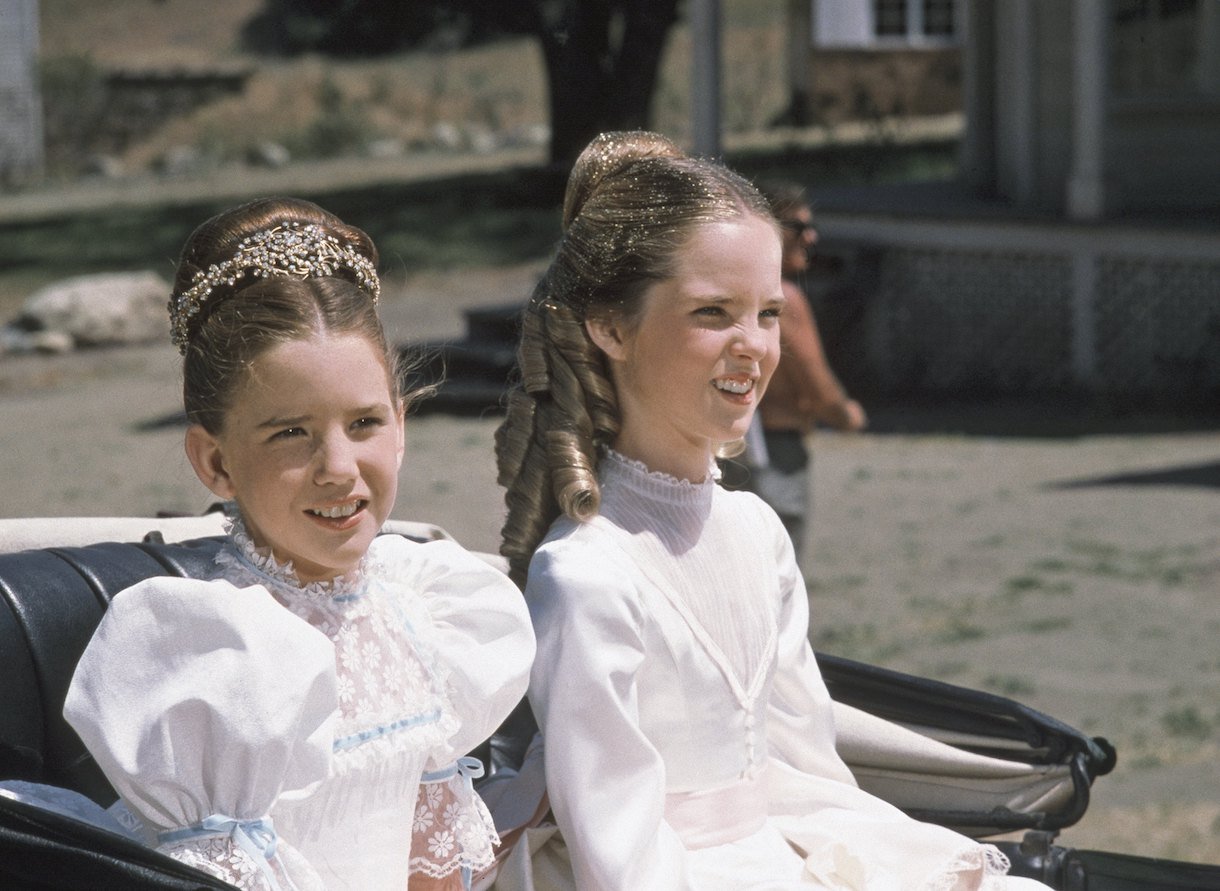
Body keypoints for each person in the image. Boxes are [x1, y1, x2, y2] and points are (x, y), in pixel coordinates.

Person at [492, 132, 1051, 890]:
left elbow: (804, 771)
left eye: (767, 313)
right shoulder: (588, 572)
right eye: (713, 312)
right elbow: (618, 852)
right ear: (611, 325)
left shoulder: (755, 532)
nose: (751, 346)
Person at [62, 197, 535, 890]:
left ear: (401, 428)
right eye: (290, 432)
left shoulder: (428, 615)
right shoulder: (217, 657)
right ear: (215, 462)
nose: (338, 466)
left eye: (365, 423)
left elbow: (432, 867)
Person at [725, 179, 866, 563]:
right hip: (777, 453)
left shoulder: (725, 293)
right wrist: (846, 415)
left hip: (729, 449)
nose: (811, 237)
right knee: (778, 585)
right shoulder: (782, 296)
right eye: (799, 228)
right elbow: (817, 386)